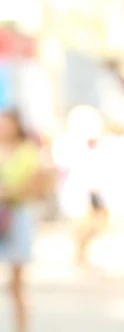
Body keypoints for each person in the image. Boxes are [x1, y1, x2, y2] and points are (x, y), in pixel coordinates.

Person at [0, 110, 44, 332]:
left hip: (17, 218)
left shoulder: (28, 152)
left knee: (17, 282)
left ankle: (21, 328)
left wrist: (9, 192)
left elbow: (36, 187)